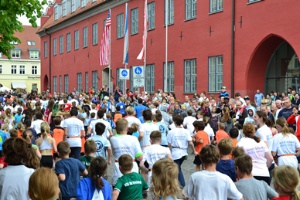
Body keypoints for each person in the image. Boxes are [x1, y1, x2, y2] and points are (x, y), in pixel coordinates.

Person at [110, 118, 143, 185]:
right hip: (132, 167)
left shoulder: (112, 139)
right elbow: (140, 157)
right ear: (127, 128)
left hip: (118, 168)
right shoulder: (134, 139)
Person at [167, 114, 196, 187]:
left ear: (174, 122)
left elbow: (169, 144)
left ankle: (182, 184)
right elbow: (190, 142)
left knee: (177, 168)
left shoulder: (171, 132)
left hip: (176, 151)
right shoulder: (186, 131)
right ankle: (177, 183)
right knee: (177, 167)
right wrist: (194, 151)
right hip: (184, 152)